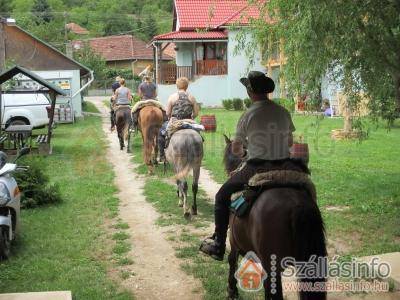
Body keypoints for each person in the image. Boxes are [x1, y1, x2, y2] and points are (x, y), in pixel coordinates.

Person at [199, 71, 295, 261]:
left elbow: (235, 148)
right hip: (286, 166)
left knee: (221, 196)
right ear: (267, 91)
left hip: (257, 167)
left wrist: (245, 153)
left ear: (250, 92)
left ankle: (219, 244)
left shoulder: (248, 114)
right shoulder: (283, 111)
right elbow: (290, 141)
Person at [158, 77, 199, 161]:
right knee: (199, 135)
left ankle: (162, 155)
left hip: (175, 121)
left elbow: (168, 113)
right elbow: (196, 113)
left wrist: (170, 117)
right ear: (187, 86)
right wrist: (191, 118)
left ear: (177, 86)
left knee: (161, 134)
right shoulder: (192, 97)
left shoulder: (172, 97)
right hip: (189, 120)